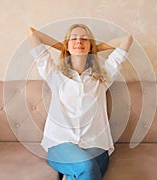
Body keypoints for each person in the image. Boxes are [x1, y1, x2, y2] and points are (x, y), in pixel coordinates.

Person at [28, 24, 132, 180]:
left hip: (96, 145)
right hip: (61, 144)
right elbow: (32, 34)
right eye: (74, 38)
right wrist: (68, 46)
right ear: (66, 45)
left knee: (86, 172)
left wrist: (91, 47)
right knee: (88, 167)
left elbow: (127, 39)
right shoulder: (54, 74)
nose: (79, 41)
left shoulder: (103, 77)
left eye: (84, 39)